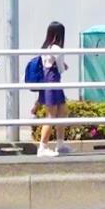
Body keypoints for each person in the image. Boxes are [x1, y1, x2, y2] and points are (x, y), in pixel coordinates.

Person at [36, 21, 70, 157]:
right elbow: (60, 68)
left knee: (62, 111)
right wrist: (63, 66)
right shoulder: (56, 48)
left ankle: (60, 144)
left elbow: (48, 64)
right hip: (53, 81)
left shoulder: (46, 47)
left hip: (48, 80)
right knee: (52, 115)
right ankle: (43, 147)